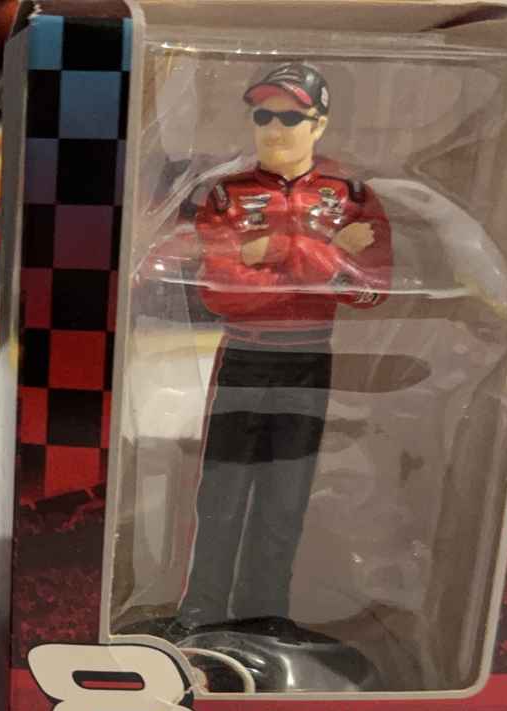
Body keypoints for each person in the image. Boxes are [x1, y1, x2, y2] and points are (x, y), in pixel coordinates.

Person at [168, 62, 394, 648]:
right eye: (263, 114)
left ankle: (264, 614)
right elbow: (222, 294)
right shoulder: (225, 195)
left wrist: (276, 251)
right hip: (243, 356)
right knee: (221, 494)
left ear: (319, 124)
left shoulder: (353, 197)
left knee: (285, 496)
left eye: (290, 117)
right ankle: (200, 613)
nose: (274, 127)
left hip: (308, 362)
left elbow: (370, 292)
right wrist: (323, 250)